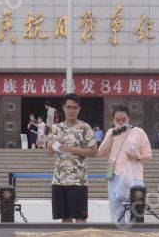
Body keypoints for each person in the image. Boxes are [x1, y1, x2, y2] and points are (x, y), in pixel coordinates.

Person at [46, 93, 98, 223]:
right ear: (63, 108)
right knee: (65, 219)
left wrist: (72, 148)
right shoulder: (55, 128)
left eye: (75, 107)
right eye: (69, 107)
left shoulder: (85, 128)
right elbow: (49, 152)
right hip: (59, 180)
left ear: (79, 109)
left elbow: (93, 152)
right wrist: (50, 146)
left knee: (80, 218)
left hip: (78, 181)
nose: (72, 110)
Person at [98, 105, 152, 223]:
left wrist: (136, 157)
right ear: (113, 120)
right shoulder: (110, 133)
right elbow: (101, 153)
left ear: (129, 118)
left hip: (135, 177)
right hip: (116, 177)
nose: (121, 122)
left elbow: (148, 156)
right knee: (116, 210)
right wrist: (112, 135)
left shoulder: (139, 132)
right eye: (117, 120)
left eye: (124, 120)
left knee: (136, 211)